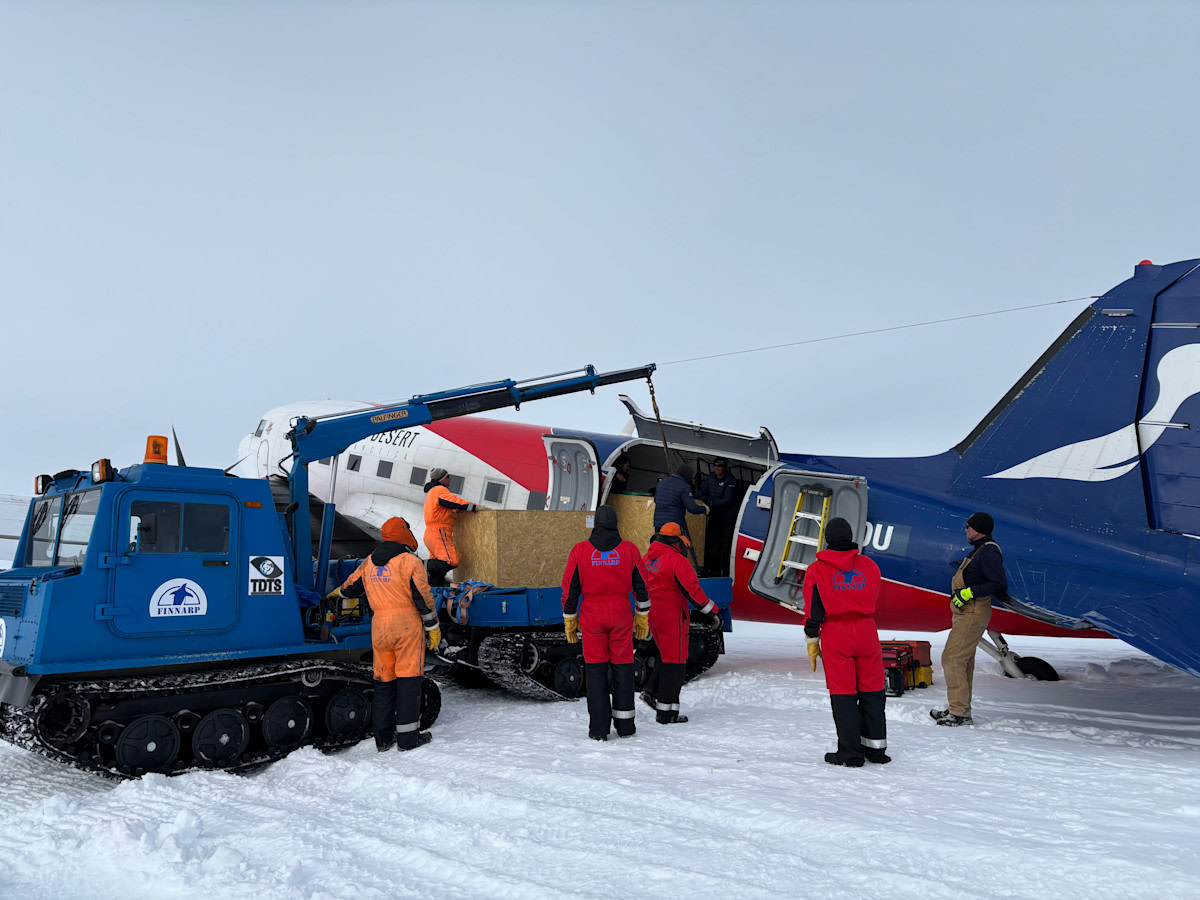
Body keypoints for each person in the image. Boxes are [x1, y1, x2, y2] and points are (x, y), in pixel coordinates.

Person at [330, 516, 440, 751]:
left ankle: (382, 739)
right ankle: (408, 739)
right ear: (404, 534)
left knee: (384, 681)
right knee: (409, 681)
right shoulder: (410, 562)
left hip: (380, 626)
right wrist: (433, 627)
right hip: (406, 625)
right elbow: (423, 598)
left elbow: (351, 587)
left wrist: (335, 594)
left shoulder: (369, 562)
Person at [803, 517, 888, 767]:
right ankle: (876, 750)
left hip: (836, 632)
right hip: (866, 630)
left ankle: (850, 754)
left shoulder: (817, 569)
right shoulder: (869, 566)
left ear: (827, 539)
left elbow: (813, 608)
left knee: (844, 694)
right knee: (872, 690)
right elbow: (874, 595)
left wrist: (812, 637)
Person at [560, 505, 650, 741]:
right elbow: (642, 587)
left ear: (595, 525)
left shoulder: (580, 551)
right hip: (620, 614)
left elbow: (570, 590)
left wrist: (570, 619)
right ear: (616, 523)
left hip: (592, 617)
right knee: (623, 668)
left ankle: (599, 730)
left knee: (596, 671)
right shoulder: (629, 550)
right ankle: (625, 726)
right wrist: (642, 615)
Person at [640, 522, 720, 724]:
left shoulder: (648, 559)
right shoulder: (676, 561)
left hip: (652, 614)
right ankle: (667, 712)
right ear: (677, 541)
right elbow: (693, 591)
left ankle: (650, 691)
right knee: (675, 663)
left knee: (665, 656)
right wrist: (713, 612)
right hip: (671, 615)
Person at [931, 512, 1005, 727]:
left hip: (973, 611)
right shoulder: (979, 550)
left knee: (952, 658)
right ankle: (959, 708)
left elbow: (999, 583)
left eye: (968, 527)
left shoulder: (989, 551)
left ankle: (959, 713)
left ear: (977, 529)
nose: (965, 530)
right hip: (966, 612)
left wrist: (969, 592)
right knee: (964, 661)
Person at [423, 467, 478, 587]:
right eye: (448, 476)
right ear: (442, 479)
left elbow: (446, 508)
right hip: (439, 532)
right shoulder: (439, 490)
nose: (450, 479)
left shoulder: (431, 493)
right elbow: (453, 501)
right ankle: (420, 565)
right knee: (452, 560)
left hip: (431, 533)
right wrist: (474, 507)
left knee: (438, 571)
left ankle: (434, 592)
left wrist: (456, 511)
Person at [696, 457, 740, 576]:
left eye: (719, 466)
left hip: (728, 517)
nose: (717, 468)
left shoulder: (730, 481)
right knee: (711, 541)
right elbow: (702, 492)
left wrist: (710, 503)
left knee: (726, 544)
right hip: (715, 514)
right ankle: (710, 569)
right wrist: (693, 498)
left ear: (725, 467)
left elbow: (727, 501)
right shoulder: (711, 477)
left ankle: (725, 571)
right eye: (715, 465)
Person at [652, 465, 708, 532]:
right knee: (673, 542)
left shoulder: (662, 483)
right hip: (673, 524)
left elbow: (656, 500)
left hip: (658, 522)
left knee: (659, 542)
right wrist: (705, 509)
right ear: (688, 477)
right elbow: (692, 508)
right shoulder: (684, 486)